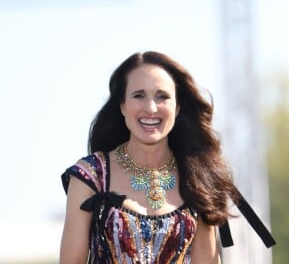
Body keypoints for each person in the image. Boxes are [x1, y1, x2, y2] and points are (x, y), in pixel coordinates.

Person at [59, 51, 270, 264]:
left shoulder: (198, 180)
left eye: (163, 96)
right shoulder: (91, 176)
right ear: (123, 105)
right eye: (139, 95)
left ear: (177, 107)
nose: (151, 108)